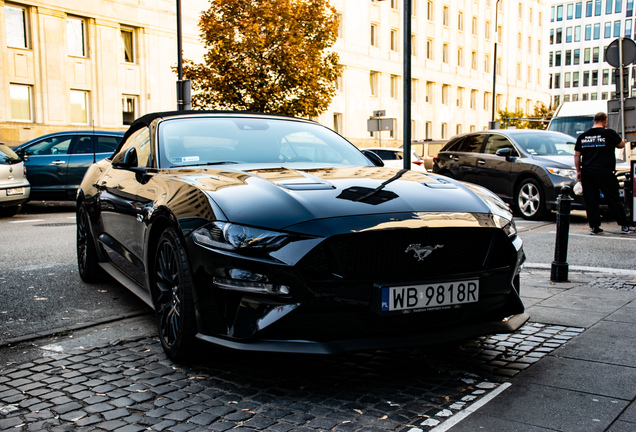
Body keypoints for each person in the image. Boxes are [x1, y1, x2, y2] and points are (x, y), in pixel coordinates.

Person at [574, 111, 634, 235]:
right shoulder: (609, 133)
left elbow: (577, 155)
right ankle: (624, 225)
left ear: (593, 121)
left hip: (588, 172)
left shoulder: (583, 136)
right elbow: (621, 144)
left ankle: (594, 227)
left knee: (591, 200)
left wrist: (578, 171)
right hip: (605, 172)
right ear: (605, 121)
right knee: (613, 198)